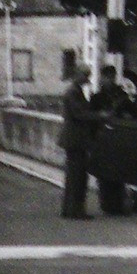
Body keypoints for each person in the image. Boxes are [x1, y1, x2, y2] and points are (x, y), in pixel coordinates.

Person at [57, 67, 99, 219]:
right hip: (75, 139)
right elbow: (80, 114)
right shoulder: (74, 92)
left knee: (74, 176)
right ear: (78, 75)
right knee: (78, 176)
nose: (87, 79)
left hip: (73, 139)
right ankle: (75, 210)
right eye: (86, 76)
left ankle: (70, 209)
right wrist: (100, 115)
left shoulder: (74, 90)